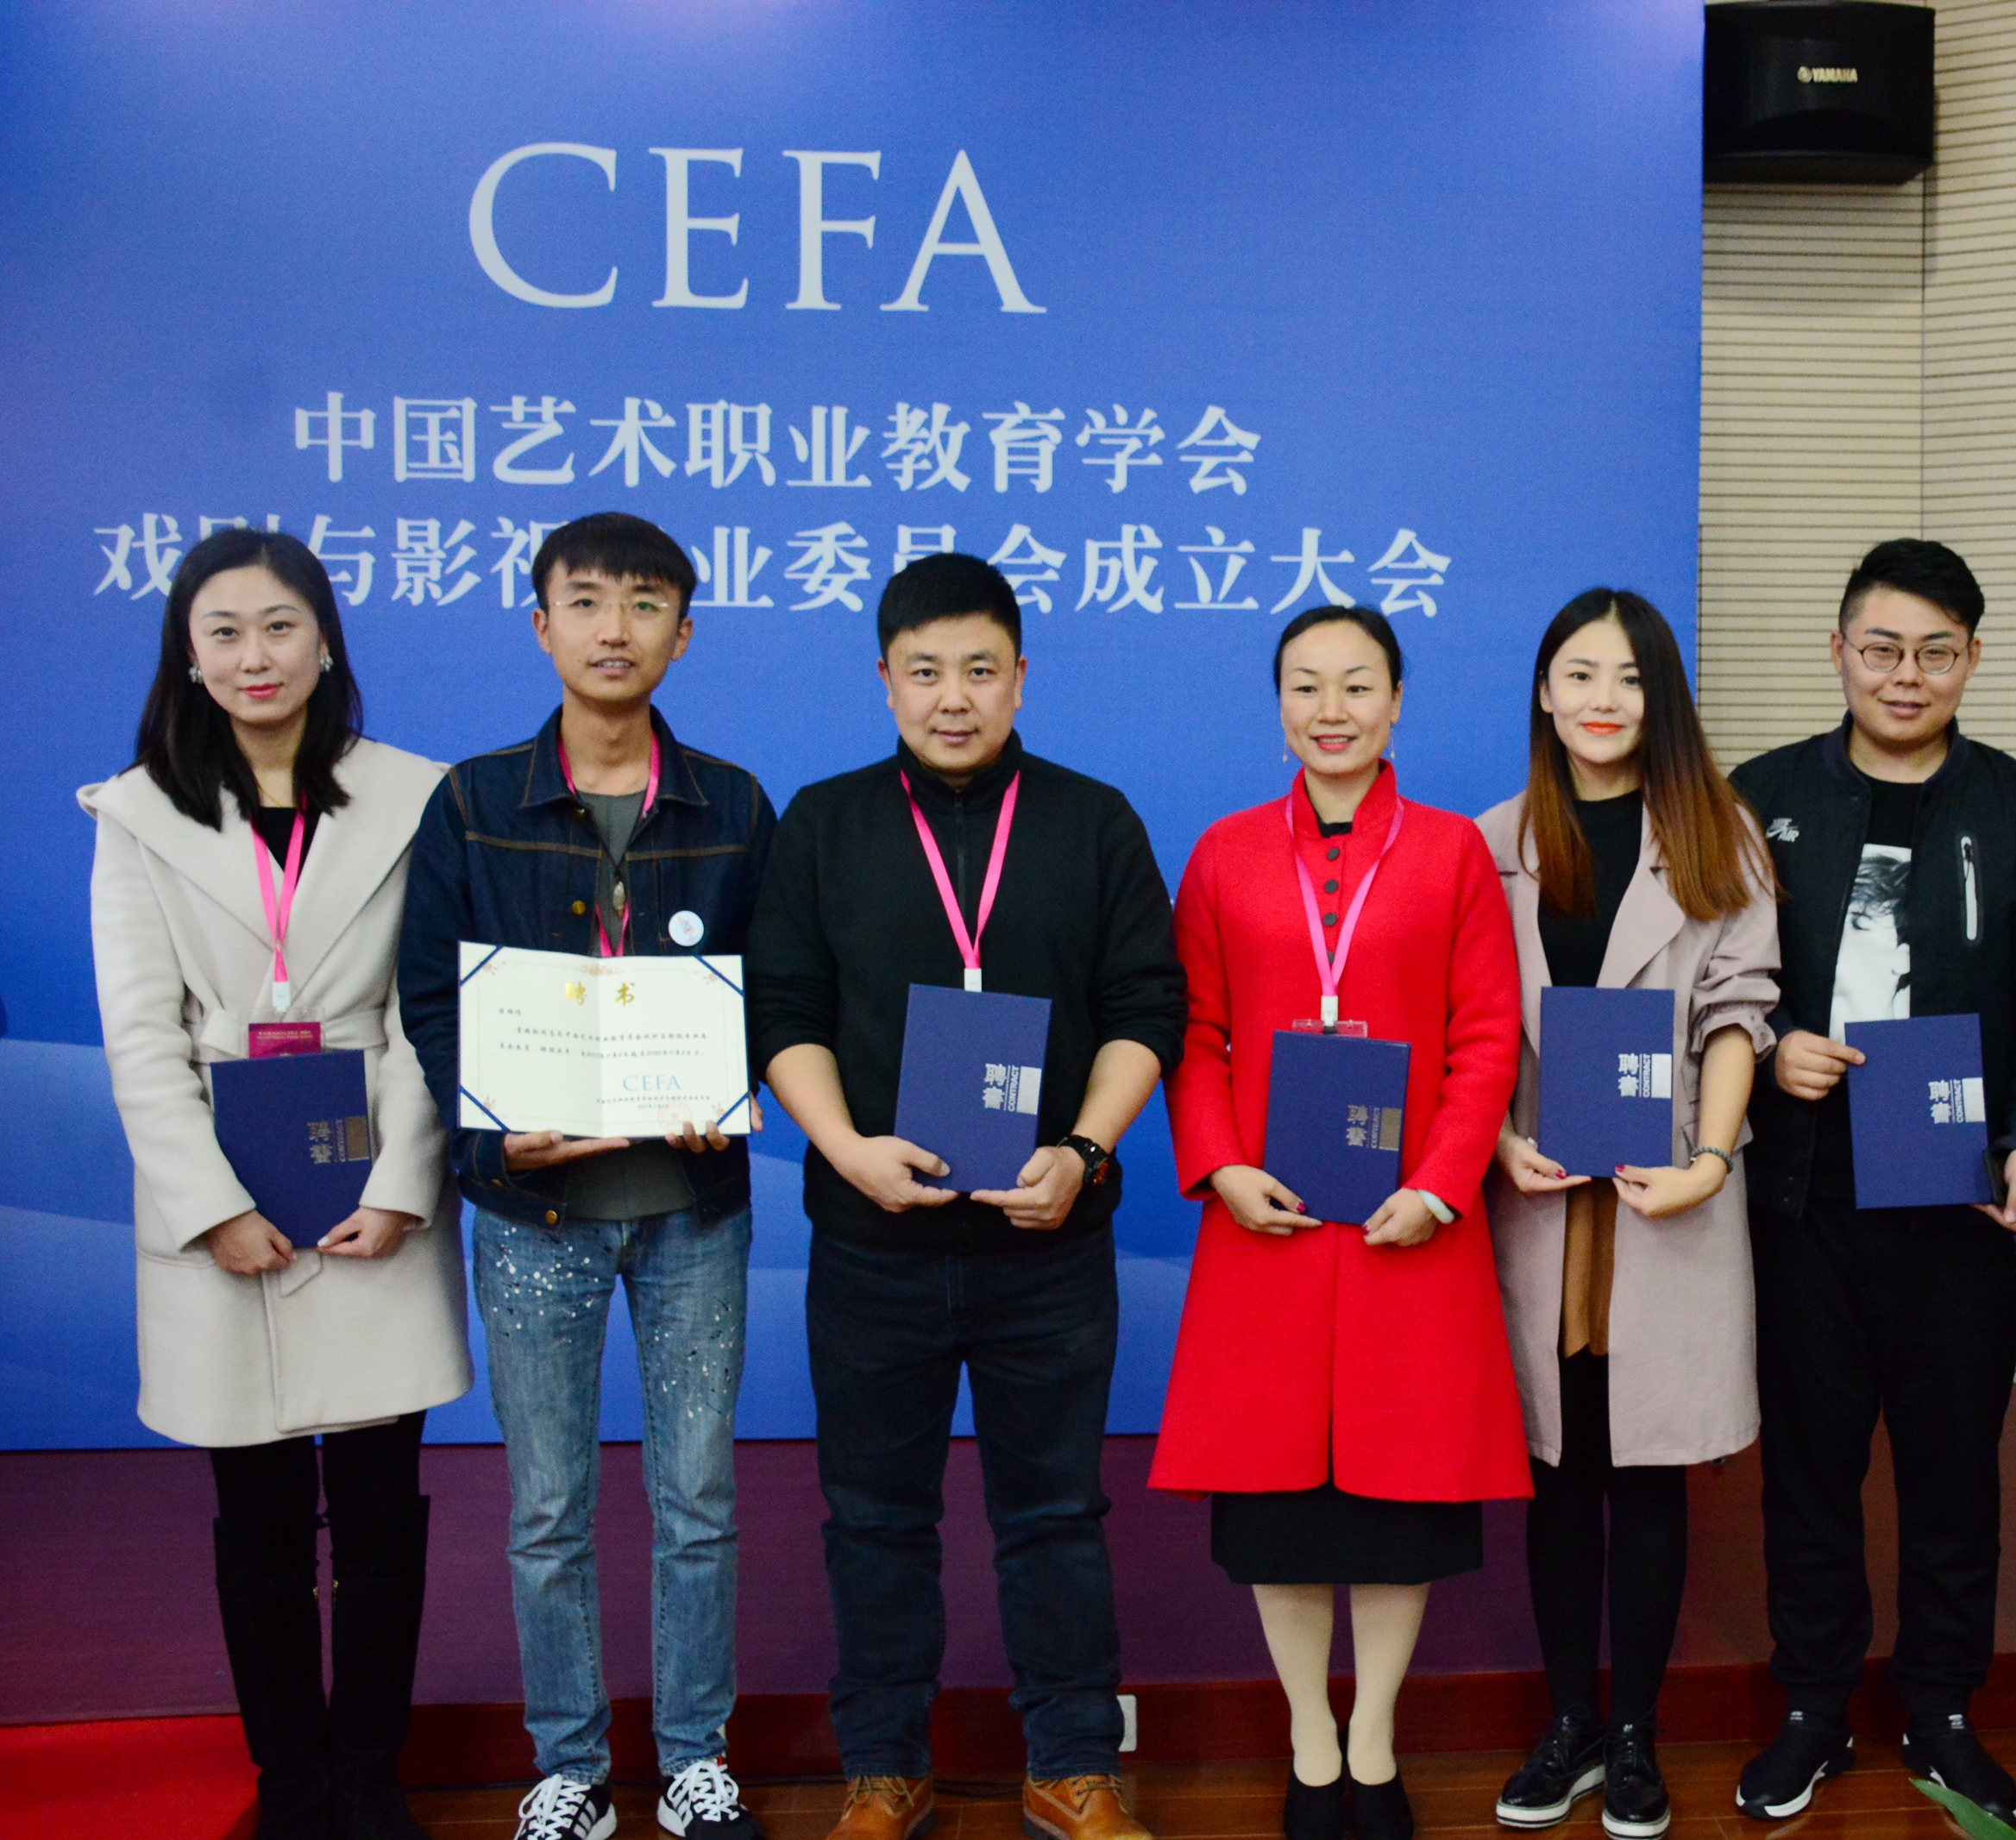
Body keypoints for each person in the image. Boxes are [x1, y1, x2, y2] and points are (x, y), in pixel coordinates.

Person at [748, 553, 1186, 1840]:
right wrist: (844, 1147)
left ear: (1021, 678)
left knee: (1056, 1512)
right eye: (926, 671)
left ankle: (1073, 1760)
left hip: (1046, 1239)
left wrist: (1086, 1151)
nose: (954, 697)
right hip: (873, 1240)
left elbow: (1146, 1005)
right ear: (884, 679)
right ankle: (884, 1767)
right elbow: (782, 1010)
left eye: (980, 670)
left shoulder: (1092, 820)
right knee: (874, 1517)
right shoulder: (823, 824)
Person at [83, 527, 471, 1840]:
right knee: (254, 1520)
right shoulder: (136, 814)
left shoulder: (414, 798)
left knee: (378, 1514)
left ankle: (368, 1778)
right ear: (188, 657)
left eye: (280, 626)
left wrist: (404, 1182)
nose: (256, 655)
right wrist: (212, 1206)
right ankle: (289, 1785)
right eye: (225, 632)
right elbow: (140, 1036)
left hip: (370, 1190)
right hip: (223, 1200)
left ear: (326, 642)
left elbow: (428, 1012)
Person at [398, 512, 777, 1840]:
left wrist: (731, 1091)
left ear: (686, 631)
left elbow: (778, 990)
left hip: (691, 1209)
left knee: (698, 1500)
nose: (617, 628)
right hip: (532, 1212)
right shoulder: (472, 802)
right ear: (541, 621)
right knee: (548, 1505)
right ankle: (569, 1766)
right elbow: (431, 1001)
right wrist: (493, 1138)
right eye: (589, 600)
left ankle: (694, 1760)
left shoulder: (735, 803)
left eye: (646, 603)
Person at [1724, 538, 2016, 1829]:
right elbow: (1706, 976)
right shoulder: (1762, 797)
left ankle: (1942, 1705)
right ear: (1838, 650)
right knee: (1810, 1469)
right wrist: (1771, 1044)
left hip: (1961, 1196)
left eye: (1936, 652)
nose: (1907, 674)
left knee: (1954, 1472)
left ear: (1973, 660)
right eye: (1883, 648)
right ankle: (1813, 1705)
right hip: (1803, 1199)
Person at [1154, 606, 1528, 1840]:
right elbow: (1195, 1034)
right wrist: (1219, 1165)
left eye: (1357, 685)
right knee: (1280, 1511)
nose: (1332, 710)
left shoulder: (1453, 852)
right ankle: (1310, 1745)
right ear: (1278, 706)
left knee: (1398, 1508)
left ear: (1397, 700)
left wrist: (1442, 1182)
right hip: (1267, 1223)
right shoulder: (1222, 853)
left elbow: (1485, 1037)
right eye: (1306, 686)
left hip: (1405, 1227)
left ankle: (1374, 1741)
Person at [1478, 590, 1780, 1840]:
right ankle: (1571, 1726)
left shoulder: (1719, 834)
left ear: (1664, 698)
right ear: (1544, 693)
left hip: (1664, 1199)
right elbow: (1471, 1029)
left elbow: (1738, 1014)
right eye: (1579, 672)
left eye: (1632, 676)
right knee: (1557, 1477)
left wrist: (1710, 1158)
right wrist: (1495, 1141)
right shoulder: (1490, 841)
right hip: (1542, 1200)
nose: (1604, 698)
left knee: (1649, 1474)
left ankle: (1638, 1732)